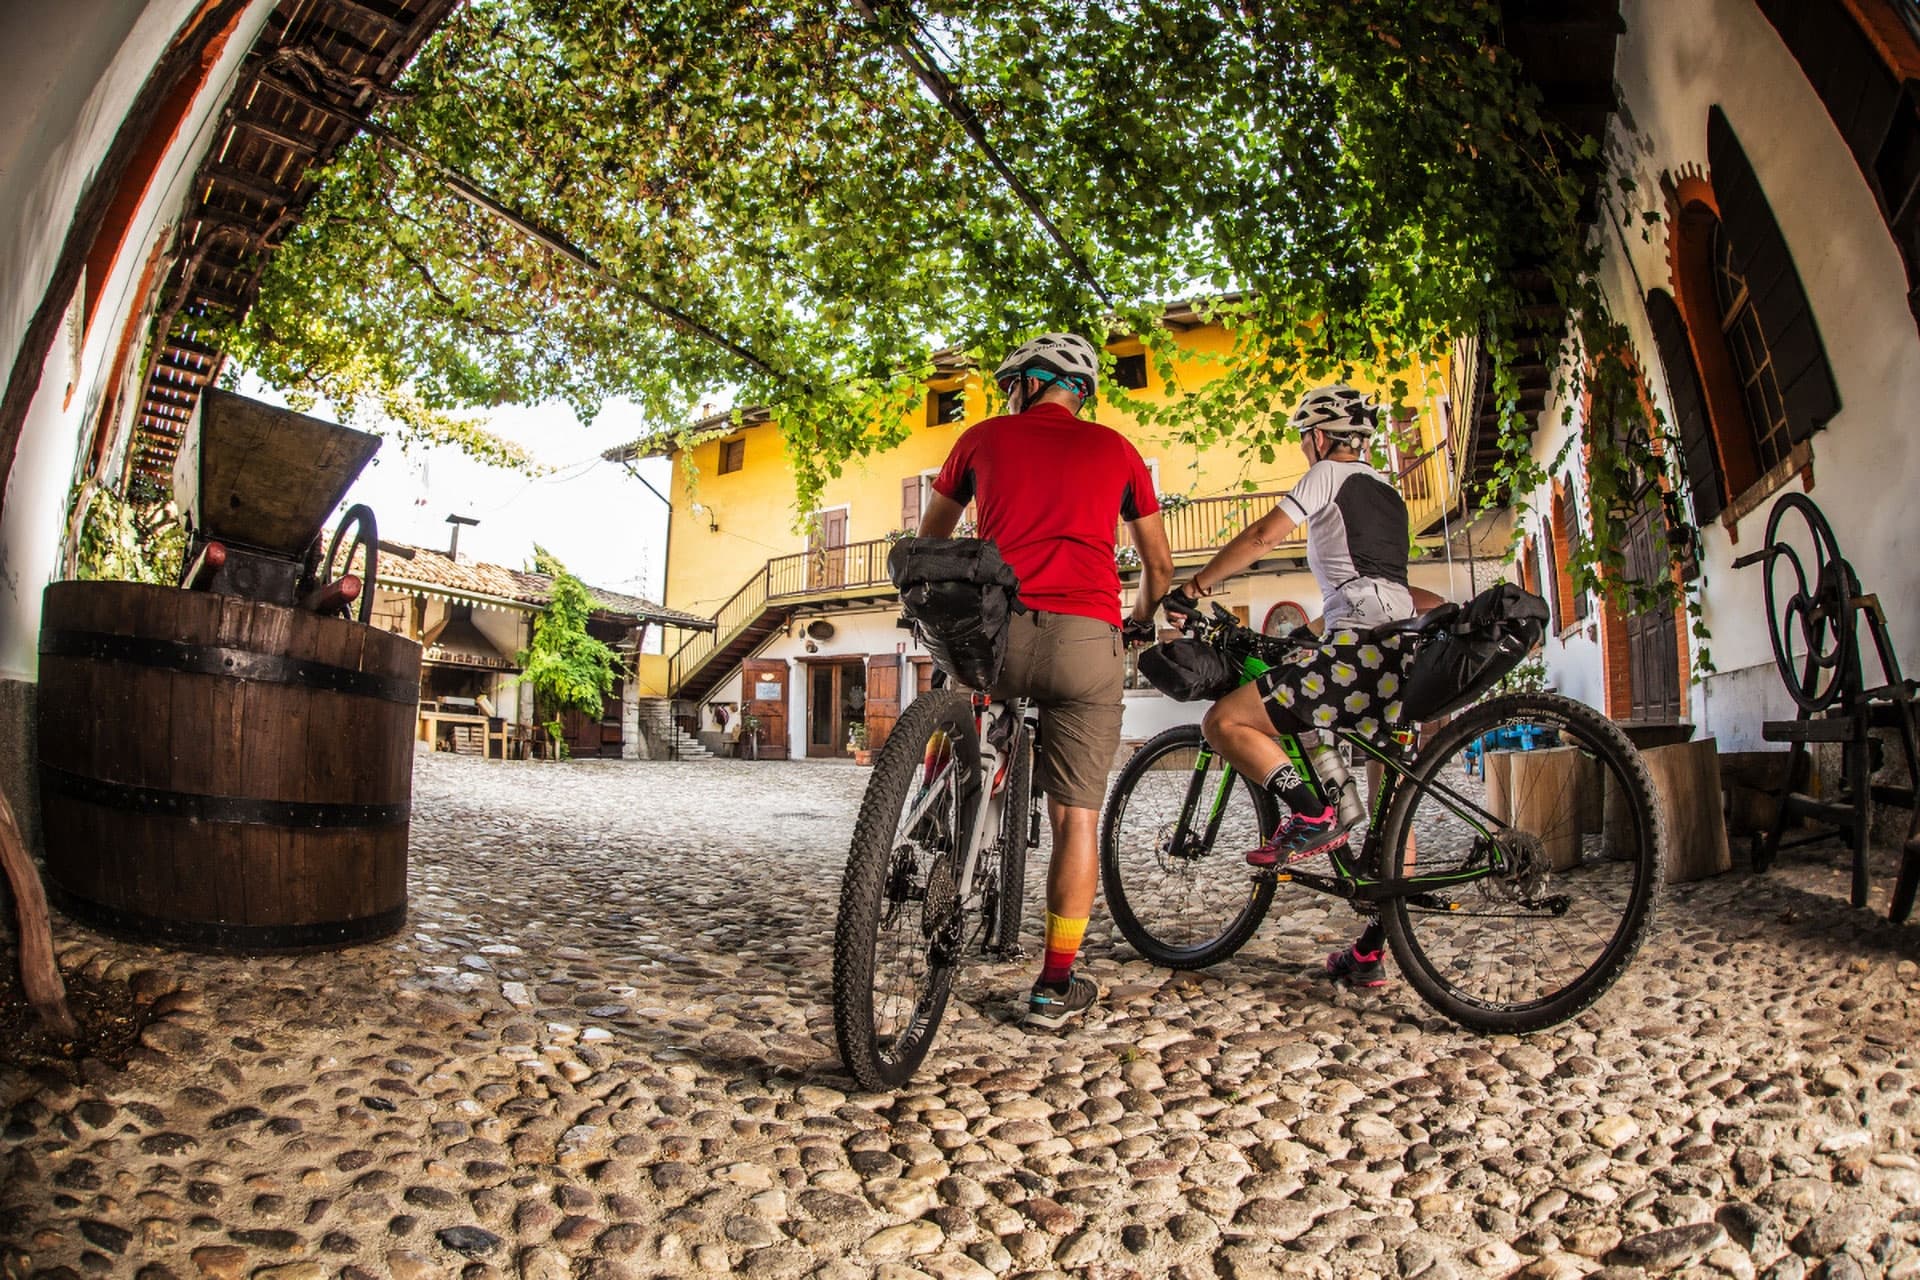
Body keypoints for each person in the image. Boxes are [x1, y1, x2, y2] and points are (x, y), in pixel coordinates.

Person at [918, 333, 1174, 1029]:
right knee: (1074, 818)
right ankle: (1053, 986)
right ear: (1079, 391)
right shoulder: (1118, 450)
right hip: (1088, 639)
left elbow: (933, 541)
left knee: (964, 690)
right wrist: (1142, 620)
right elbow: (1159, 566)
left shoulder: (983, 437)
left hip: (995, 631)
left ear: (1027, 383)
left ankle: (927, 809)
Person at [1162, 383, 1443, 988]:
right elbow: (1371, 583)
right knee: (1391, 802)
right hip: (1395, 646)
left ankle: (1313, 812)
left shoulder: (1329, 475)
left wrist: (1196, 587)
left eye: (1304, 439)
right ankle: (1372, 950)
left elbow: (1265, 536)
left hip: (1359, 646)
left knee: (1224, 722)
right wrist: (1307, 634)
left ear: (1319, 437)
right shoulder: (1389, 493)